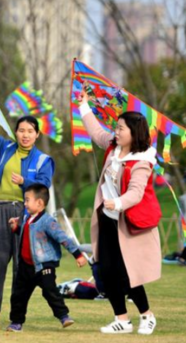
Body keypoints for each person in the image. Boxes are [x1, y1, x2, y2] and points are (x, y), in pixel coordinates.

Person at [78, 90, 161, 335]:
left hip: (128, 223)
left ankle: (147, 315)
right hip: (107, 220)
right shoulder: (113, 147)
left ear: (134, 133)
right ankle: (121, 320)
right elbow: (95, 132)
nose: (116, 130)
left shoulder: (142, 161)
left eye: (121, 128)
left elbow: (136, 192)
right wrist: (83, 106)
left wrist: (118, 203)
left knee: (128, 273)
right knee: (106, 270)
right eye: (117, 127)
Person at [0, 86, 55, 321]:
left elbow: (44, 188)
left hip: (26, 214)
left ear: (37, 135)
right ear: (16, 132)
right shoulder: (5, 149)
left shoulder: (43, 160)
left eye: (30, 131)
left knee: (23, 266)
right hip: (0, 210)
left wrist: (24, 182)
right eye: (21, 130)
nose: (25, 135)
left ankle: (17, 312)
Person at [5, 184, 87, 332]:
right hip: (25, 266)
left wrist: (78, 254)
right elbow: (27, 235)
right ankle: (16, 322)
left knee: (50, 291)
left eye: (27, 200)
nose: (25, 203)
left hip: (44, 266)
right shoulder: (27, 218)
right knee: (18, 295)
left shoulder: (48, 221)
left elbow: (63, 238)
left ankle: (63, 316)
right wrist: (16, 228)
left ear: (39, 203)